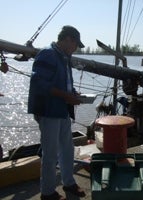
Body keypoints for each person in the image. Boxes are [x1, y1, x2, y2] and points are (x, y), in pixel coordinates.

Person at [28, 25, 86, 200]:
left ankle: (68, 183)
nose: (76, 49)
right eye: (76, 45)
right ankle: (47, 193)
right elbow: (40, 84)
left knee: (68, 149)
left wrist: (73, 93)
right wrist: (67, 96)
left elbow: (63, 82)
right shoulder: (48, 54)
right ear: (68, 39)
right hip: (48, 111)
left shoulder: (63, 57)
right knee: (50, 153)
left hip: (62, 111)